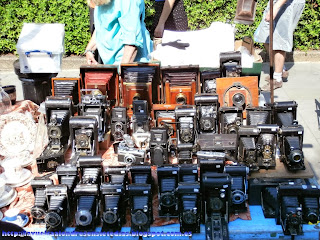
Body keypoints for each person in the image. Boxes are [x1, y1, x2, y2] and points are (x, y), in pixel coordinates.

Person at [254, 0, 305, 90]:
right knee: (265, 36)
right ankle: (281, 70)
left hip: (285, 3)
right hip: (276, 3)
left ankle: (277, 79)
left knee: (279, 40)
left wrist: (276, 6)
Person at [85, 0, 153, 65]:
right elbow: (101, 26)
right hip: (111, 64)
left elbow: (132, 41)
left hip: (130, 64)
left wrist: (121, 73)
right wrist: (89, 50)